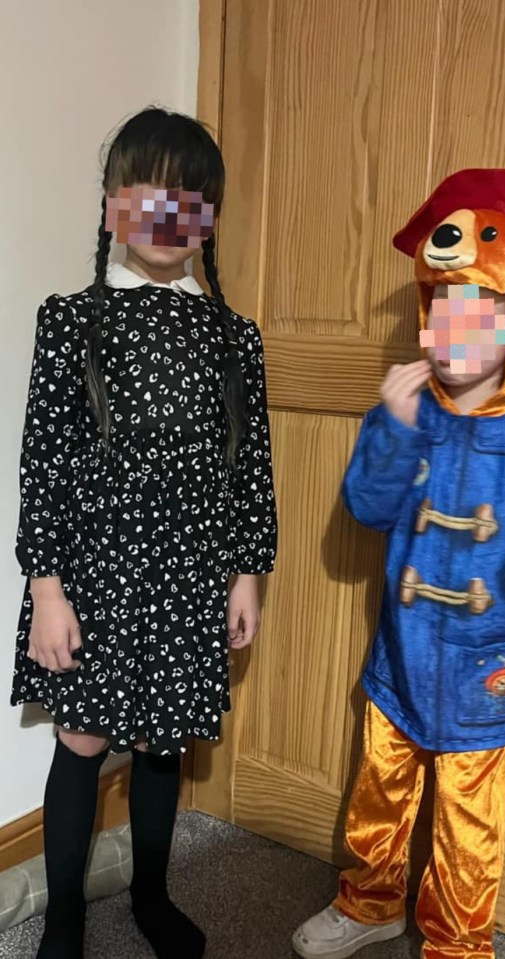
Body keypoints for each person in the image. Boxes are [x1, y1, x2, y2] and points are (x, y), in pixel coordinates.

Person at [292, 169, 505, 959]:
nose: (452, 335)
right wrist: (394, 430)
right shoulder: (398, 413)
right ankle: (369, 902)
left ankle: (460, 943)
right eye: (440, 313)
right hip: (400, 658)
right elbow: (366, 508)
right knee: (380, 789)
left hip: (486, 672)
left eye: (479, 317)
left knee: (470, 823)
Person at [12, 107, 277, 959]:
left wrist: (247, 574)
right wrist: (45, 587)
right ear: (111, 206)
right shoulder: (69, 319)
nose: (168, 215)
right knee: (82, 740)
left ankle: (153, 893)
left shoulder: (234, 337)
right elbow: (43, 464)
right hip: (92, 576)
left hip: (191, 574)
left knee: (165, 744)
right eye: (148, 192)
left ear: (211, 216)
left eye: (189, 197)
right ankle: (61, 919)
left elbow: (251, 469)